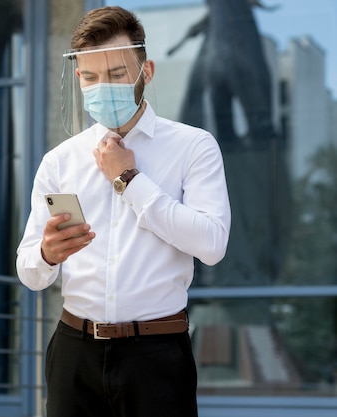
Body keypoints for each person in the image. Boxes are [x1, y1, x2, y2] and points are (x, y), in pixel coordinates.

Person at [16, 6, 231, 417]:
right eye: (91, 77)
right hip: (73, 353)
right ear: (78, 78)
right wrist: (46, 253)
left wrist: (129, 179)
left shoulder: (193, 147)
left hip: (157, 356)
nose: (103, 86)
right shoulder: (59, 161)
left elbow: (212, 243)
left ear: (145, 71)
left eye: (116, 74)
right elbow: (30, 272)